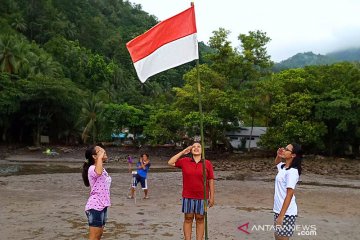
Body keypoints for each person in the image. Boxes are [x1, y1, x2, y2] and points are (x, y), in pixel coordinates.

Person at [168, 142, 215, 240]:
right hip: (188, 195)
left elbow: (211, 180)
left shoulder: (207, 163)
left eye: (198, 146)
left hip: (203, 196)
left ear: (202, 150)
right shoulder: (185, 161)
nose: (196, 148)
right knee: (188, 218)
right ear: (191, 150)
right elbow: (170, 162)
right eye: (194, 147)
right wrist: (183, 152)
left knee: (200, 219)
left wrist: (212, 197)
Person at [273, 143, 303, 240]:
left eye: (287, 149)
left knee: (282, 238)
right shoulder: (283, 167)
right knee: (277, 236)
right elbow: (277, 163)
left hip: (286, 212)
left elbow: (289, 195)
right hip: (278, 209)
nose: (284, 150)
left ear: (293, 155)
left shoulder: (292, 172)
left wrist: (282, 216)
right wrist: (278, 155)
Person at [82, 144, 111, 240]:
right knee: (94, 237)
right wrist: (99, 158)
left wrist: (100, 157)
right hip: (95, 206)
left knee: (98, 236)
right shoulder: (92, 169)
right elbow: (98, 173)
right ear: (94, 157)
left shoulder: (102, 168)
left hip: (103, 206)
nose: (103, 151)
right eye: (100, 151)